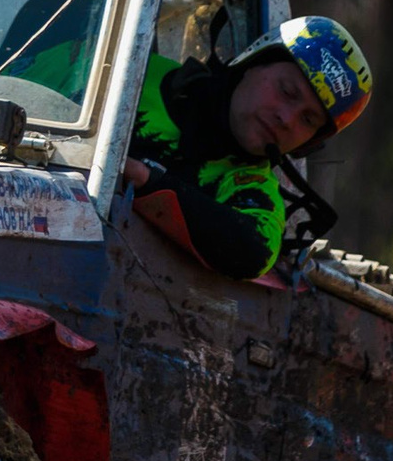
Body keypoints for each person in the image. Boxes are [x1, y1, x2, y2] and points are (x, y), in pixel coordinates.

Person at [121, 15, 373, 280]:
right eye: (287, 91)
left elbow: (255, 250)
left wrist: (147, 180)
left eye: (308, 119)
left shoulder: (253, 189)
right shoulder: (131, 72)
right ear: (254, 61)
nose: (286, 119)